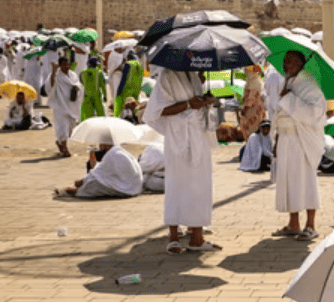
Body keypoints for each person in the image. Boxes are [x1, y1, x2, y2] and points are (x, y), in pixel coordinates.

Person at [142, 68, 221, 254]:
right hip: (178, 138)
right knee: (176, 184)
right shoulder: (167, 76)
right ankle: (174, 236)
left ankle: (196, 237)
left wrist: (204, 98)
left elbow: (196, 103)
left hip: (198, 135)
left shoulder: (193, 74)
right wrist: (188, 104)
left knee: (200, 185)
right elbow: (157, 111)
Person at [272, 50, 327, 241]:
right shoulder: (288, 82)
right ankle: (293, 223)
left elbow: (316, 113)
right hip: (286, 139)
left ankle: (310, 225)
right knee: (289, 182)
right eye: (285, 61)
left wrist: (288, 98)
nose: (286, 65)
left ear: (301, 64)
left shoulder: (309, 84)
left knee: (306, 182)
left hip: (301, 141)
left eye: (290, 62)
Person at [57, 143, 143, 198]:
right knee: (90, 180)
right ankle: (76, 189)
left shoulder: (112, 154)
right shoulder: (120, 151)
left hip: (128, 189)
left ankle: (74, 191)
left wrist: (81, 182)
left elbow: (96, 172)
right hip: (135, 187)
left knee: (90, 185)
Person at [46, 55, 83, 158]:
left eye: (68, 64)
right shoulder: (56, 75)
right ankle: (65, 149)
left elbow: (79, 85)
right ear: (60, 66)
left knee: (71, 128)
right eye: (64, 65)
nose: (66, 66)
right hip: (60, 106)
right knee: (63, 128)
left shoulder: (73, 75)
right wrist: (53, 72)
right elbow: (50, 86)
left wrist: (76, 89)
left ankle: (60, 143)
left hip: (71, 106)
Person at [238, 65, 266, 138]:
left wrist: (245, 108)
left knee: (252, 128)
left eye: (247, 71)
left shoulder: (253, 82)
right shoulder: (254, 81)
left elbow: (251, 97)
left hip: (252, 110)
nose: (246, 72)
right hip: (256, 108)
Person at [113, 51, 143, 117]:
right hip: (137, 89)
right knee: (134, 105)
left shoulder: (128, 64)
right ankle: (135, 119)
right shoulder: (140, 65)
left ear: (128, 57)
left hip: (127, 89)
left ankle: (124, 120)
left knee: (125, 106)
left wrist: (119, 89)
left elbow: (124, 78)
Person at [79, 56, 106, 121]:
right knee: (100, 115)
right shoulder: (99, 72)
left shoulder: (82, 72)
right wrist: (105, 95)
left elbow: (81, 82)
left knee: (89, 116)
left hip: (86, 96)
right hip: (97, 96)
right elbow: (102, 85)